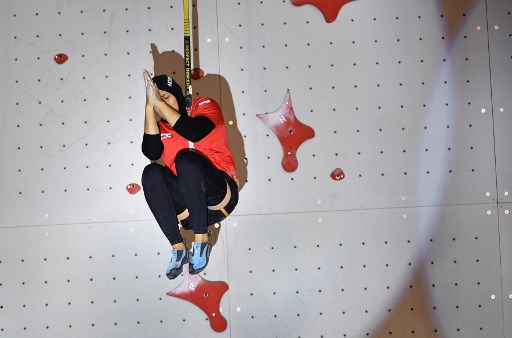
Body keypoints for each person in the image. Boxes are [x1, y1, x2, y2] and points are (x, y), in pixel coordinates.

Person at [141, 69, 239, 279]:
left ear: (176, 95)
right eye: (157, 103)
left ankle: (202, 241)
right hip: (189, 210)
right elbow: (151, 152)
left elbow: (194, 131)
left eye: (165, 98)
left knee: (186, 159)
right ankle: (178, 247)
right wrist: (150, 108)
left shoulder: (203, 106)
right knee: (151, 173)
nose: (161, 106)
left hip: (219, 195)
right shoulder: (161, 127)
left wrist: (159, 103)